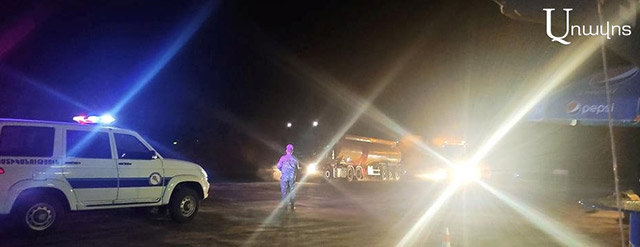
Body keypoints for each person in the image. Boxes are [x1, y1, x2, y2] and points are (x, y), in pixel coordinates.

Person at [277, 144, 300, 210]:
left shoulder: (283, 158)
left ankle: (284, 206)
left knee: (284, 190)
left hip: (284, 176)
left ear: (286, 150)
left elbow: (278, 166)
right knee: (292, 190)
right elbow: (297, 168)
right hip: (292, 177)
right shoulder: (295, 159)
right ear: (292, 151)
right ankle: (292, 205)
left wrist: (282, 170)